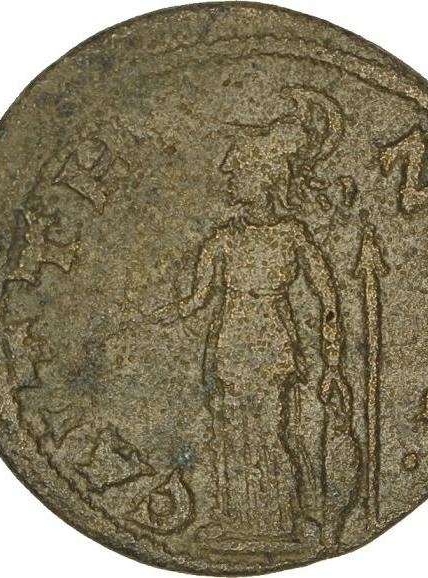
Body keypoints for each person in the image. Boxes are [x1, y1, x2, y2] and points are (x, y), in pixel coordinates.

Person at [150, 88, 352, 544]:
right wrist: (158, 316)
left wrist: (333, 362)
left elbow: (329, 297)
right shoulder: (222, 239)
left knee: (270, 428)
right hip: (228, 343)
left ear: (262, 177)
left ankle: (279, 521)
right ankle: (236, 519)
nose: (227, 177)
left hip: (273, 343)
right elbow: (196, 299)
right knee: (229, 427)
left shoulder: (292, 235)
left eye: (237, 170)